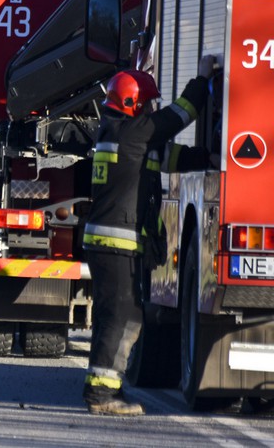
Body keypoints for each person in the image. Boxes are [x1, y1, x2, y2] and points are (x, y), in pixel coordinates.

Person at [81, 55, 217, 415]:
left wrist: (210, 156)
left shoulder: (122, 134)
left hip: (109, 244)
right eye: (149, 102)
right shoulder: (134, 133)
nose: (153, 108)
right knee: (121, 315)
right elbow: (182, 113)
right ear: (133, 104)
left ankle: (104, 388)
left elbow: (170, 157)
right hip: (114, 244)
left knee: (120, 313)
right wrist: (203, 77)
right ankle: (101, 395)